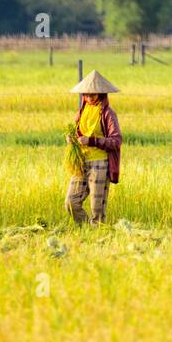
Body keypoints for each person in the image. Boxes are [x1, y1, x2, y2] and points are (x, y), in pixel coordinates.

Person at [65, 69, 122, 225]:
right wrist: (72, 139)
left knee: (97, 211)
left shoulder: (108, 114)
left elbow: (116, 141)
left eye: (93, 94)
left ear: (101, 94)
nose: (89, 98)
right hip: (81, 163)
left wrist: (92, 141)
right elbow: (79, 135)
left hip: (100, 164)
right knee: (71, 203)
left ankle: (96, 239)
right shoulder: (81, 112)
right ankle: (86, 231)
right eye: (86, 94)